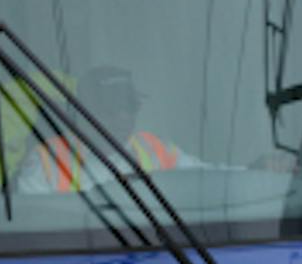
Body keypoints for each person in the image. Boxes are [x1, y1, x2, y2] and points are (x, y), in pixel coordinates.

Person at [13, 66, 202, 194]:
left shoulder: (156, 149)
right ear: (84, 113)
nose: (123, 116)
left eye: (130, 106)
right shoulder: (47, 161)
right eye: (111, 108)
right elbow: (34, 224)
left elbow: (209, 180)